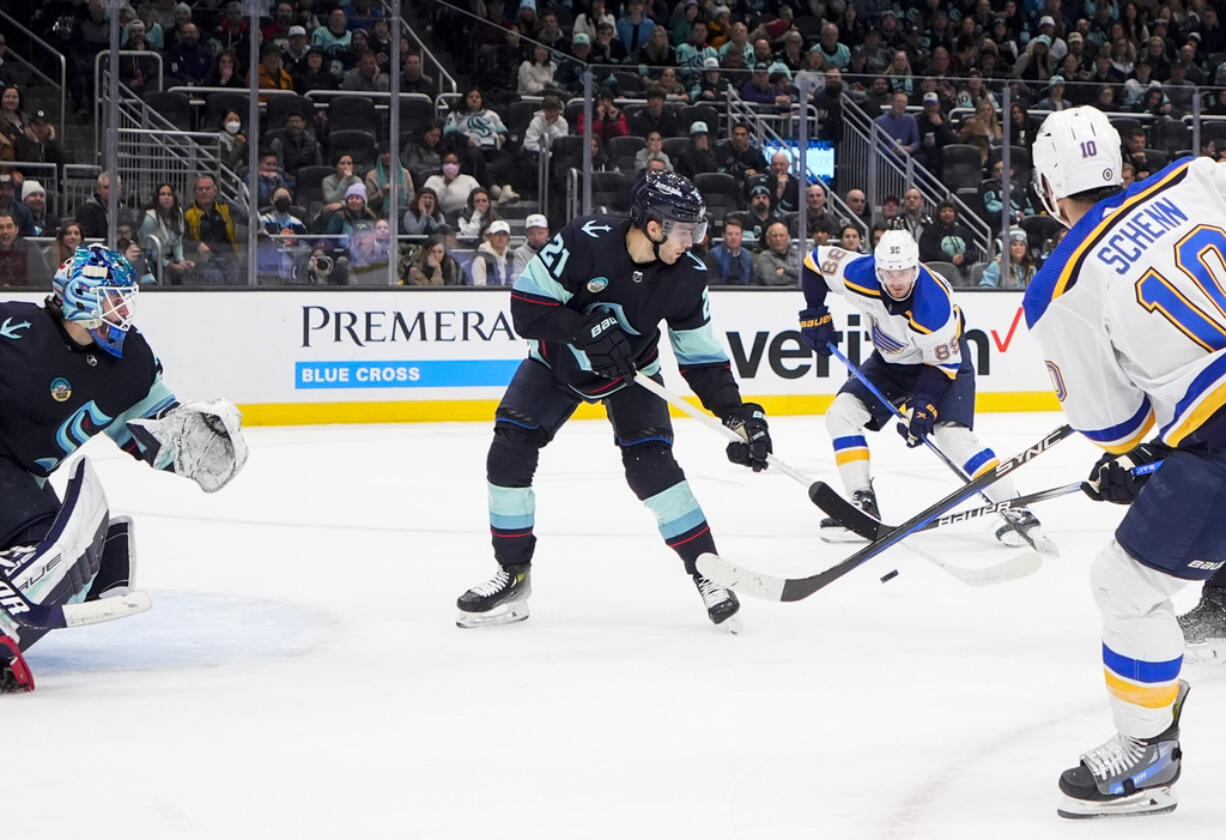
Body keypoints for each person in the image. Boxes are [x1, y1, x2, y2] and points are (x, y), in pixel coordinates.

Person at [1023, 104, 1226, 817]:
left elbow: (1120, 424)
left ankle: (1148, 754)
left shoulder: (1060, 283)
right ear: (1119, 162)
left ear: (1049, 188)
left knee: (1125, 585)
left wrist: (1136, 463)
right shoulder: (1194, 177)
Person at [455, 171, 769, 631]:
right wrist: (582, 331)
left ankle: (708, 572)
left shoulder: (687, 277)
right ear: (654, 226)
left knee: (653, 469)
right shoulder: (584, 241)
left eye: (696, 230)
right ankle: (514, 575)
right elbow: (526, 307)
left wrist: (738, 413)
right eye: (685, 230)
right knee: (508, 453)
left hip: (632, 375)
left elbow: (701, 358)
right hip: (555, 365)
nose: (693, 240)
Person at [0, 244, 247, 693]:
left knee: (73, 566)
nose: (123, 310)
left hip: (17, 483)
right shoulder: (13, 327)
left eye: (124, 299)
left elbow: (153, 427)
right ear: (80, 297)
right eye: (113, 298)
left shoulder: (127, 361)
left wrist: (194, 441)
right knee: (54, 552)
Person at [797, 227, 1044, 546]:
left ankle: (1015, 508)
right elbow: (814, 262)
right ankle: (862, 503)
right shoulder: (857, 274)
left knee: (951, 435)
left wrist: (923, 406)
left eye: (904, 272)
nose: (897, 282)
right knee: (840, 415)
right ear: (877, 269)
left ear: (916, 267)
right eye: (888, 273)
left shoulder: (933, 306)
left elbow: (941, 366)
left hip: (942, 366)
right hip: (889, 363)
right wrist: (814, 313)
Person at [138, 183, 194, 284]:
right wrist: (171, 265)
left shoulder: (178, 214)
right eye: (163, 194)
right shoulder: (150, 218)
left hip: (168, 257)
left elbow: (177, 243)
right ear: (157, 198)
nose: (166, 197)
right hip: (150, 260)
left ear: (174, 197)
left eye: (169, 194)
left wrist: (181, 261)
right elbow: (149, 250)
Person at [0, 211, 50, 286]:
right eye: (1, 227)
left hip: (25, 294)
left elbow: (43, 279)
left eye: (9, 227)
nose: (5, 231)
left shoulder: (30, 248)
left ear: (16, 229)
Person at [709, 217, 752, 285]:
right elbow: (711, 281)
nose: (733, 237)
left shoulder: (748, 255)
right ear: (723, 235)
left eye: (737, 234)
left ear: (742, 235)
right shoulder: (713, 255)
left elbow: (753, 281)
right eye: (730, 234)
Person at [469, 219, 513, 286]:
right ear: (490, 237)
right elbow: (479, 287)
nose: (500, 237)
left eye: (504, 234)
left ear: (508, 238)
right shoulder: (480, 259)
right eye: (497, 234)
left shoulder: (512, 257)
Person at [510, 213, 548, 278]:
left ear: (547, 232)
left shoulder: (557, 251)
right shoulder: (520, 253)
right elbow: (519, 279)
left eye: (540, 233)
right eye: (532, 234)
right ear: (526, 234)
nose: (536, 238)